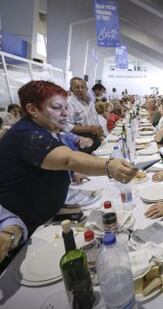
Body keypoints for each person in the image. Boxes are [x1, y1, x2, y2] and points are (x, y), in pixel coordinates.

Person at [0, 80, 137, 235]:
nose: (65, 113)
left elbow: (48, 164)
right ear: (32, 109)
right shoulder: (27, 135)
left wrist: (72, 173)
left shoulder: (47, 129)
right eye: (57, 108)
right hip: (24, 228)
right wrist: (110, 166)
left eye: (66, 107)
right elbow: (68, 159)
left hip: (47, 217)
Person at [65, 77, 104, 153]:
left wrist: (99, 130)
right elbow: (67, 126)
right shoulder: (70, 103)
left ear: (86, 88)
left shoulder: (90, 101)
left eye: (83, 87)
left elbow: (94, 118)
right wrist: (90, 128)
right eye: (76, 87)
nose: (80, 89)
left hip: (96, 138)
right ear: (71, 89)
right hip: (83, 140)